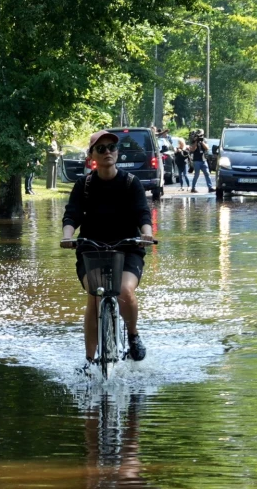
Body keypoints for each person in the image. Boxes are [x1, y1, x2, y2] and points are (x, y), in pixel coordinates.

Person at [61, 130, 154, 370]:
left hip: (128, 247)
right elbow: (72, 215)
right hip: (91, 249)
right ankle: (90, 361)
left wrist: (146, 234)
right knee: (94, 296)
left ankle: (132, 335)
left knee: (123, 290)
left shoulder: (131, 183)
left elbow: (142, 213)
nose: (107, 152)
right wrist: (67, 237)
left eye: (111, 147)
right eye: (100, 149)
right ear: (92, 155)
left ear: (117, 152)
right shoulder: (84, 185)